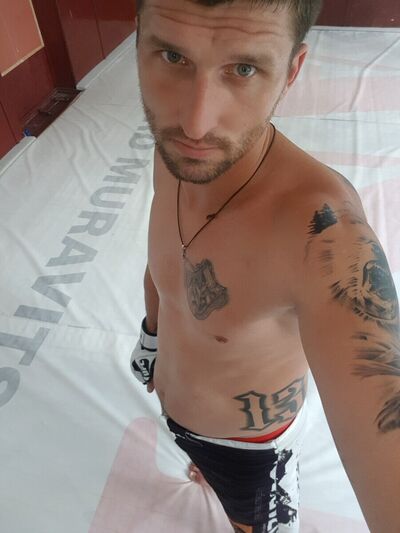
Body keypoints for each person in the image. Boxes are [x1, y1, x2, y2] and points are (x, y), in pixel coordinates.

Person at [130, 1, 400, 532]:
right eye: (174, 57)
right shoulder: (175, 152)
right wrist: (151, 338)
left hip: (250, 454)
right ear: (137, 40)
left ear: (292, 70)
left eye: (243, 68)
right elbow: (163, 265)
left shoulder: (324, 233)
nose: (196, 123)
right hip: (176, 406)